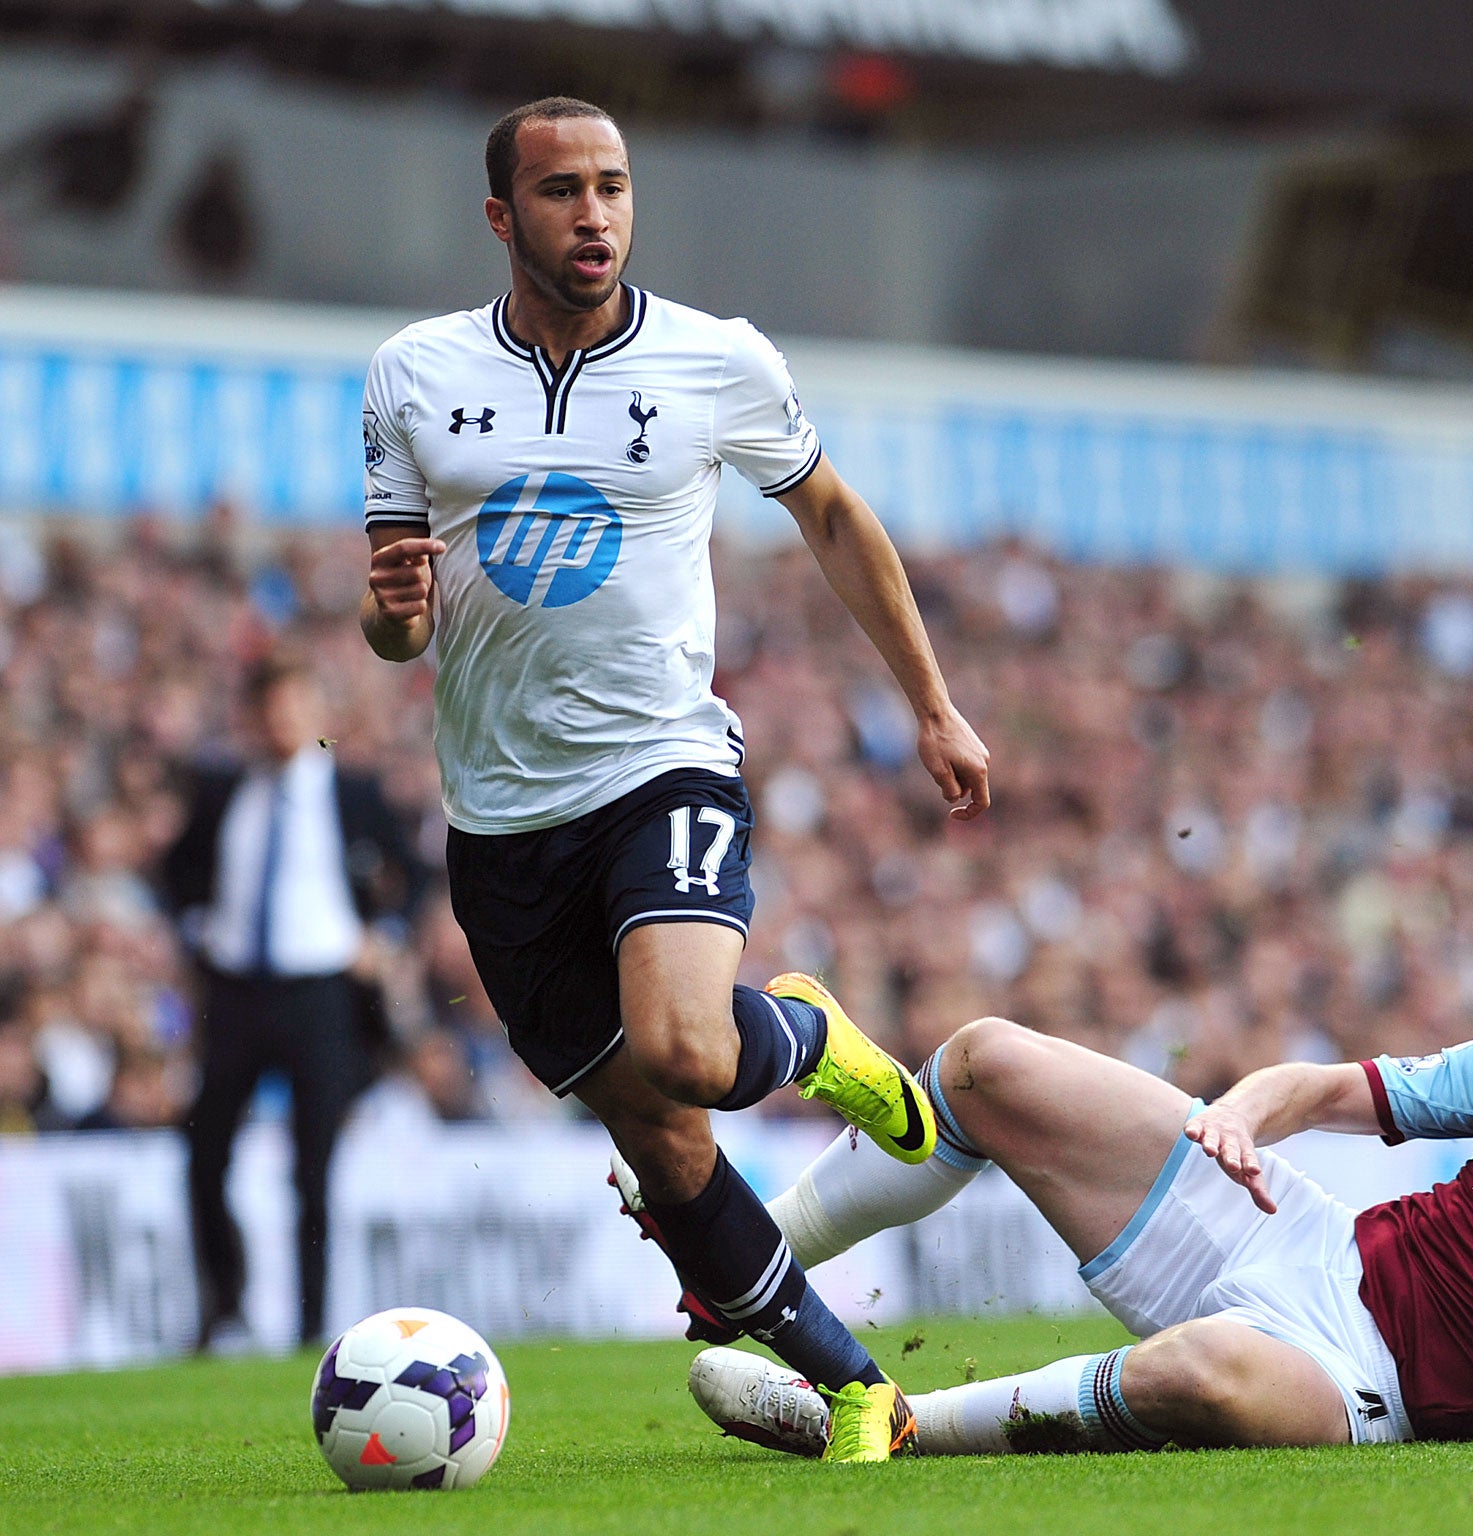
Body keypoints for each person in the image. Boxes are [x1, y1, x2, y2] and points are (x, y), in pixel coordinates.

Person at [357, 95, 990, 1461]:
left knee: (691, 1053)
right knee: (667, 1147)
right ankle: (858, 1387)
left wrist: (933, 705)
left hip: (663, 766)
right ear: (500, 216)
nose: (594, 214)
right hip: (501, 820)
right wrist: (395, 609)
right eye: (562, 192)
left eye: (614, 187)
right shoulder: (412, 374)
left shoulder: (714, 361)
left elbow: (829, 509)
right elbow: (399, 625)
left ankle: (806, 1039)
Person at [688, 868, 1473, 1454]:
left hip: (1364, 1384)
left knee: (1204, 1371)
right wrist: (1236, 1115)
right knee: (983, 1061)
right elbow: (1327, 1088)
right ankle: (746, 1246)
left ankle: (881, 1422)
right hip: (1297, 1239)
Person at [163, 653, 425, 1349]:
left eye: (292, 710)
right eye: (268, 712)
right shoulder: (221, 791)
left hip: (321, 995)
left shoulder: (354, 792)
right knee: (203, 1150)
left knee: (312, 1168)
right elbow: (178, 870)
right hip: (235, 991)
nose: (279, 726)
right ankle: (223, 1303)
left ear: (317, 717)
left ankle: (311, 1325)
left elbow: (418, 870)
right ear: (249, 720)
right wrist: (195, 927)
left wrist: (386, 934)